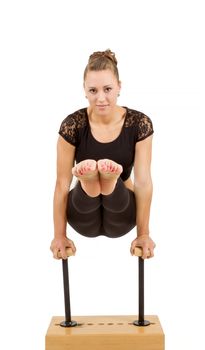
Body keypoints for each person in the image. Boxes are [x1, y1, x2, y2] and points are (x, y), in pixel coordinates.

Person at [50, 49, 156, 260]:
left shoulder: (139, 124)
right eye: (93, 90)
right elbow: (62, 183)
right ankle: (90, 182)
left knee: (117, 189)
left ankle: (108, 181)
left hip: (122, 216)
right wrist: (59, 236)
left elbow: (143, 182)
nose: (100, 98)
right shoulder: (73, 125)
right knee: (82, 192)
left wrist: (143, 234)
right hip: (82, 218)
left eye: (107, 89)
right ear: (84, 90)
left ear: (119, 87)